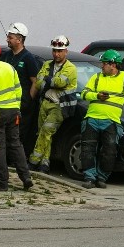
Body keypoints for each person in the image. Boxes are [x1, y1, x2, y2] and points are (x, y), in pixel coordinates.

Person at [80, 49, 124, 189]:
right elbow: (83, 94)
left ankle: (102, 177)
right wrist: (96, 96)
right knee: (88, 149)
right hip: (92, 119)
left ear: (113, 64)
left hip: (111, 121)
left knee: (110, 151)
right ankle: (89, 177)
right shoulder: (96, 77)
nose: (102, 66)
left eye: (104, 63)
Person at [0, 38, 33, 192]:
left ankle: (2, 181)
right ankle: (26, 177)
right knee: (15, 144)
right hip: (13, 110)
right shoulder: (10, 67)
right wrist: (17, 108)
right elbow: (18, 90)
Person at [28, 35, 78, 173]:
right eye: (55, 50)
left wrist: (47, 79)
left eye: (60, 51)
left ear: (65, 51)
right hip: (44, 103)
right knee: (44, 134)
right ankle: (45, 164)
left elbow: (60, 83)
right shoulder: (47, 64)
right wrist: (50, 80)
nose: (56, 53)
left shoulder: (71, 68)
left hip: (59, 106)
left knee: (46, 131)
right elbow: (38, 82)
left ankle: (33, 160)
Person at [1, 22, 39, 156]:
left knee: (18, 134)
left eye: (10, 37)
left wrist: (28, 99)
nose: (7, 39)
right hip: (6, 102)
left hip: (21, 104)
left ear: (19, 39)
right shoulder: (6, 56)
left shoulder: (28, 58)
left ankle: (17, 159)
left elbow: (35, 81)